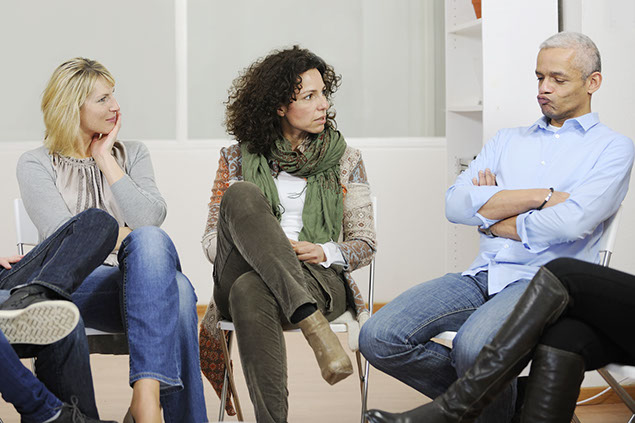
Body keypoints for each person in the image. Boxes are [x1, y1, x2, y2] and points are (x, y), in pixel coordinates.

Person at [359, 31, 634, 423]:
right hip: (481, 274)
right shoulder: (506, 141)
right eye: (539, 77)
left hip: (540, 283)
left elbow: (572, 221)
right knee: (379, 336)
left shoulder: (613, 148)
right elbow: (455, 204)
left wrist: (491, 216)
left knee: (474, 348)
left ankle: (485, 407)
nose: (543, 88)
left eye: (557, 79)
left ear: (593, 83)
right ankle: (515, 405)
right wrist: (541, 195)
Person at [16, 58, 206, 423]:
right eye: (103, 99)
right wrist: (127, 236)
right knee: (174, 286)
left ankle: (145, 398)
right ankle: (156, 409)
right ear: (72, 107)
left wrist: (105, 158)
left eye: (113, 96)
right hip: (77, 289)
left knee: (161, 260)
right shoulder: (35, 164)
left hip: (138, 285)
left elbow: (150, 218)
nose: (115, 106)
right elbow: (69, 239)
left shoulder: (131, 154)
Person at [198, 45, 376, 423]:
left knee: (249, 289)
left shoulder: (346, 159)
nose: (322, 105)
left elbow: (365, 244)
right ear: (279, 107)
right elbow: (213, 242)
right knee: (241, 195)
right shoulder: (236, 158)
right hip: (244, 264)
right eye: (309, 97)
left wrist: (324, 250)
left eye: (323, 94)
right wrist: (264, 245)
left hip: (317, 277)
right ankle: (315, 328)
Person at [365, 257, 635, 423]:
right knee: (567, 337)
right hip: (488, 270)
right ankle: (489, 404)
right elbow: (461, 204)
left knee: (564, 270)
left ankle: (452, 410)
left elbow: (571, 223)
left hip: (534, 278)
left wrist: (505, 210)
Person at [0, 207, 119, 423]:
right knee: (62, 315)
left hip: (6, 280)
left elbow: (149, 217)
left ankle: (35, 295)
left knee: (100, 221)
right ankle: (57, 415)